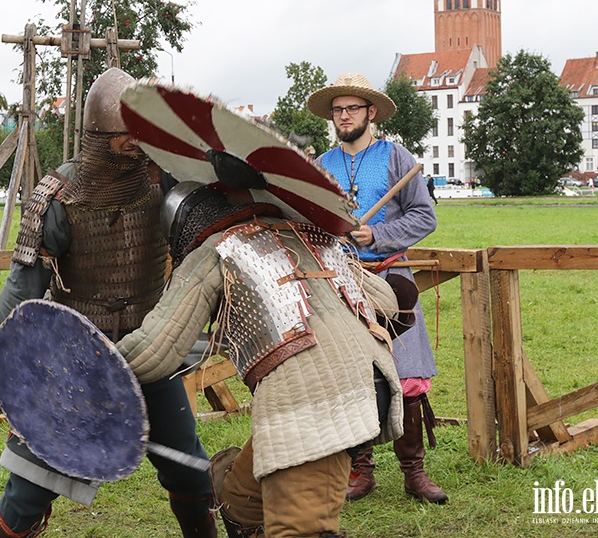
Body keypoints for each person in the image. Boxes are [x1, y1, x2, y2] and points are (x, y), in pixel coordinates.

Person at [0, 68, 216, 538]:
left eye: (139, 131)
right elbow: (24, 284)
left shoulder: (166, 181)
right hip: (77, 352)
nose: (134, 141)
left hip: (152, 345)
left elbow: (209, 228)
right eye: (122, 134)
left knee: (189, 468)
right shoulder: (60, 194)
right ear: (96, 134)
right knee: (32, 480)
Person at [116, 181, 412, 538]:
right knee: (240, 501)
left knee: (298, 531)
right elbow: (391, 302)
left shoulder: (217, 250)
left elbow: (153, 349)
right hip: (373, 385)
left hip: (314, 404)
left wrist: (93, 365)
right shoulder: (314, 236)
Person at [306, 72, 448, 504]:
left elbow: (425, 216)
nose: (344, 116)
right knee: (352, 376)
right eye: (338, 110)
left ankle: (414, 473)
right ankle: (360, 471)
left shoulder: (396, 157)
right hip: (339, 282)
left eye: (352, 108)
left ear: (371, 113)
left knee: (406, 376)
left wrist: (378, 236)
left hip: (390, 279)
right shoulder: (322, 165)